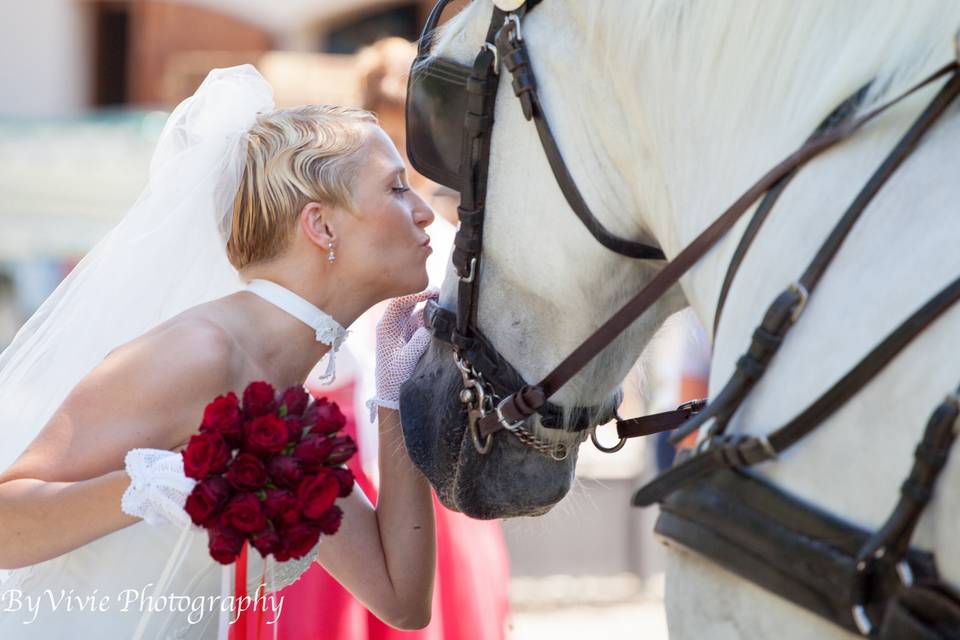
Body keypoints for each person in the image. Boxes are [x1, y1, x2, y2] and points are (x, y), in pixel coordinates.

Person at [0, 64, 440, 638]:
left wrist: (397, 394)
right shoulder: (200, 351)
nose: (425, 210)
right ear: (322, 226)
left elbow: (402, 600)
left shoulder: (286, 411)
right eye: (396, 186)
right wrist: (162, 482)